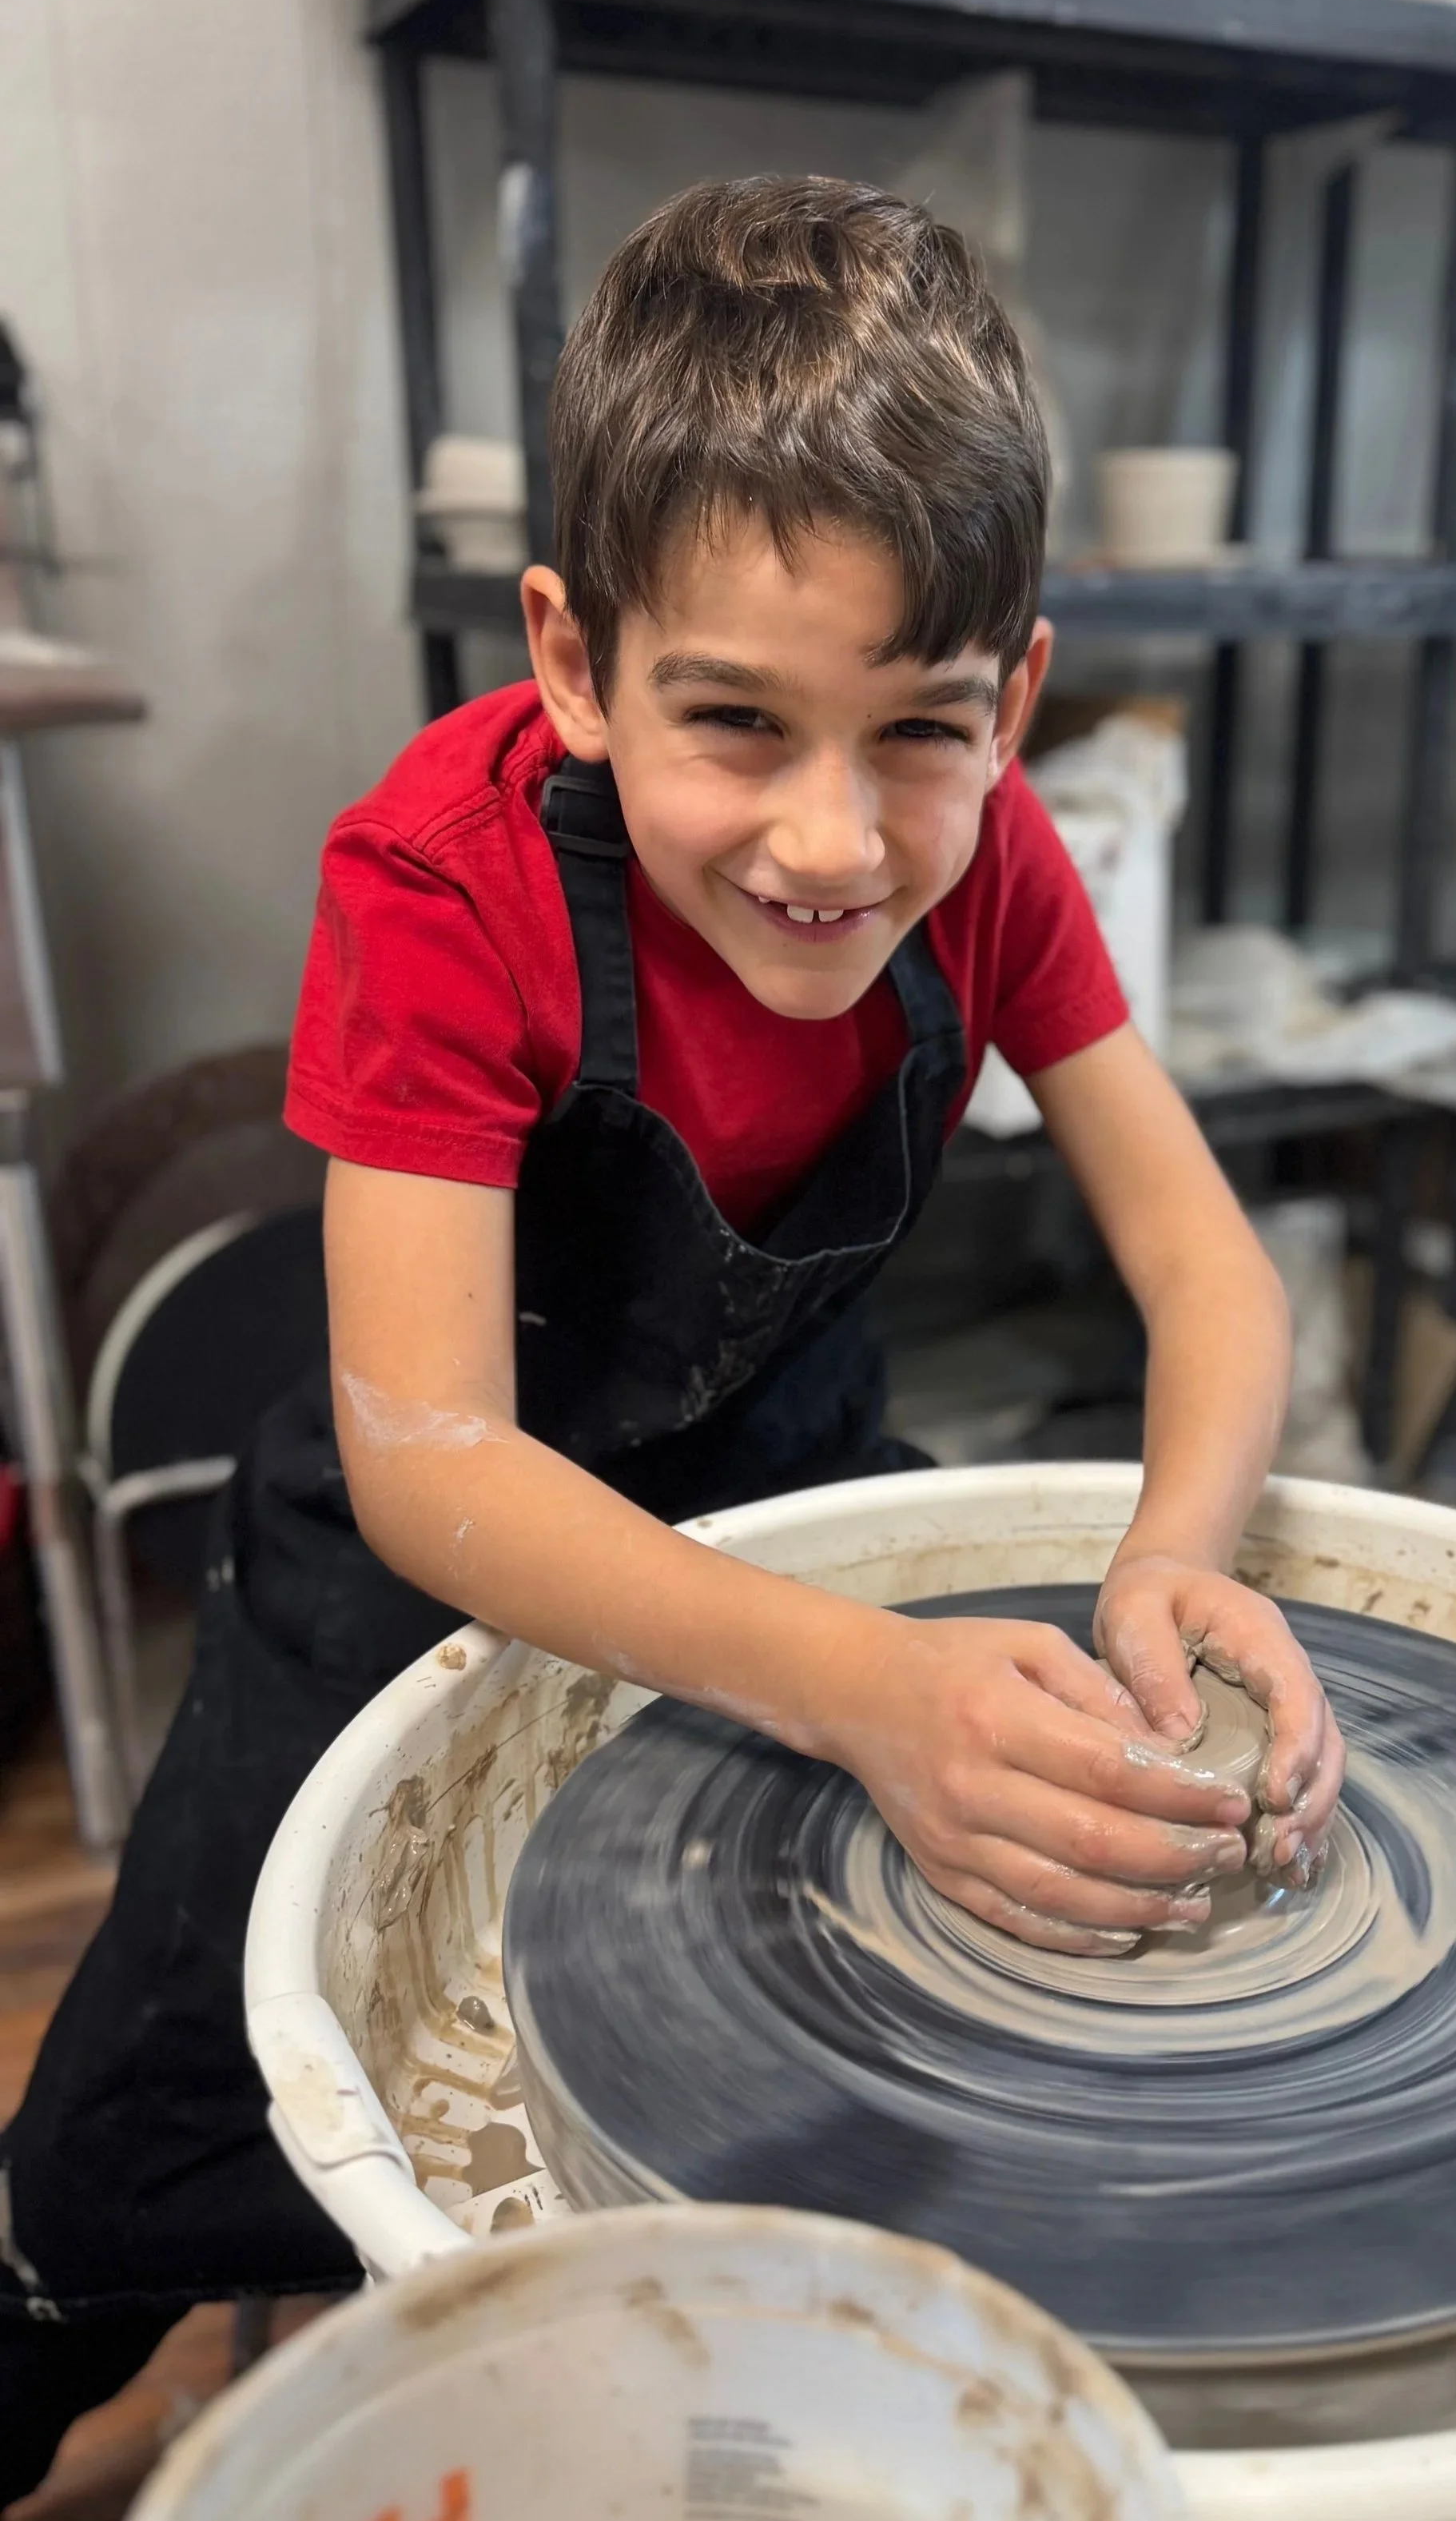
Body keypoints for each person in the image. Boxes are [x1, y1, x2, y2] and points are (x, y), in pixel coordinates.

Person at [0, 174, 1343, 2495]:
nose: (830, 840)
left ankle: (596, 2383)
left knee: (732, 2102)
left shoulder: (993, 854)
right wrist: (865, 1692)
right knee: (147, 2123)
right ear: (570, 657)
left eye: (918, 729)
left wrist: (1172, 1554)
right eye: (732, 720)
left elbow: (1205, 1267)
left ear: (1014, 697)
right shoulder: (442, 883)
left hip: (781, 1502)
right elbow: (435, 1458)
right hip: (409, 1576)